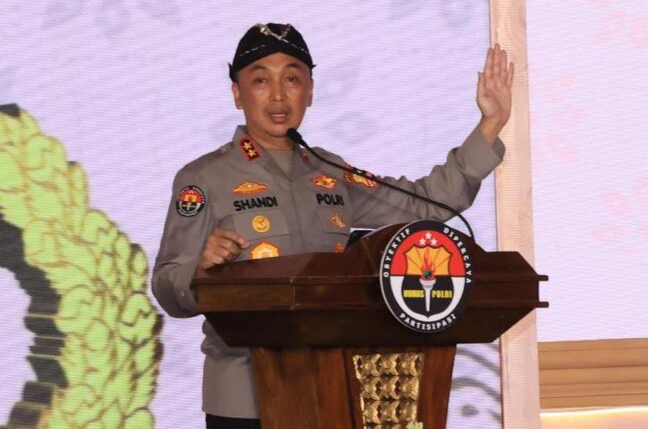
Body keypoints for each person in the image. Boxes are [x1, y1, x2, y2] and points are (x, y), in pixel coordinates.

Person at [152, 23, 514, 428]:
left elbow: (422, 202)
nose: (278, 95)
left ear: (309, 90)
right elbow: (166, 283)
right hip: (244, 400)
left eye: (292, 79)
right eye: (260, 80)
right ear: (237, 94)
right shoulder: (204, 178)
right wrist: (200, 271)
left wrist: (490, 124)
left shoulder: (328, 171)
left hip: (331, 391)